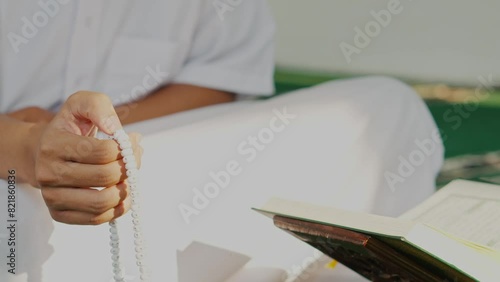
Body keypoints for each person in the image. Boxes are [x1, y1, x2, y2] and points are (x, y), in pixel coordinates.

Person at [0, 1, 444, 281]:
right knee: (20, 215)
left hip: (148, 169)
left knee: (388, 110)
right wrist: (29, 144)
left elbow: (216, 80)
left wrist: (96, 142)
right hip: (12, 183)